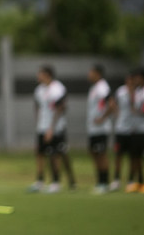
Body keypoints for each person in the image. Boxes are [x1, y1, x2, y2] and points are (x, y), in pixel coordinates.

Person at [28, 65, 75, 193]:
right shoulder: (39, 90)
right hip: (42, 127)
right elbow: (37, 105)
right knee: (40, 153)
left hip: (56, 128)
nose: (38, 76)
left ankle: (57, 182)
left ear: (48, 75)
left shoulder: (58, 89)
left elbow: (61, 108)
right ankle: (40, 181)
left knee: (56, 154)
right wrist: (38, 121)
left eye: (40, 74)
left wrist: (51, 128)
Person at [107, 73, 135, 191]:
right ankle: (116, 180)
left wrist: (132, 93)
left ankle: (131, 180)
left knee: (133, 156)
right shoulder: (120, 91)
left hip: (134, 128)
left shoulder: (137, 92)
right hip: (121, 128)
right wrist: (116, 112)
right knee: (118, 155)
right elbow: (112, 102)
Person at [86, 64, 112, 194]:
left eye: (91, 72)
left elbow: (111, 103)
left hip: (101, 128)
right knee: (94, 154)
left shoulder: (103, 87)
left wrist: (102, 118)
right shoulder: (94, 88)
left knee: (102, 154)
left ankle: (105, 182)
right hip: (93, 128)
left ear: (97, 73)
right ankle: (99, 182)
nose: (88, 75)